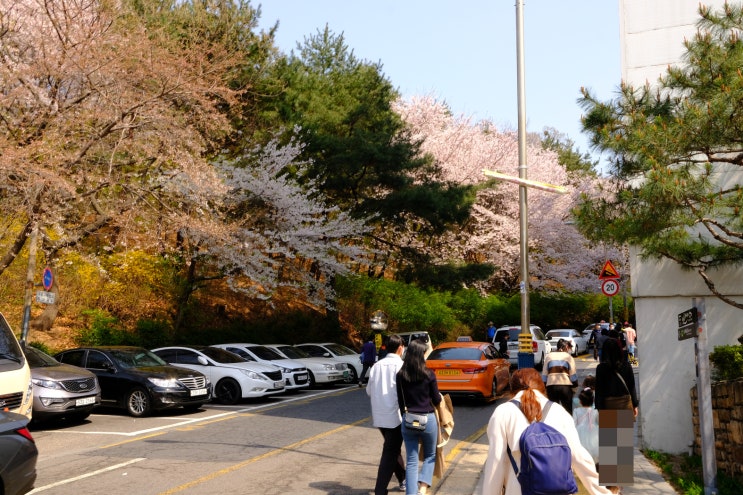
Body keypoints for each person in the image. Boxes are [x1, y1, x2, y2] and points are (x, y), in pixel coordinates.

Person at [481, 368, 611, 495]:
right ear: (543, 389)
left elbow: (495, 463)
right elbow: (579, 458)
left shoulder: (503, 412)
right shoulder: (560, 412)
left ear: (512, 391)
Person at [396, 339, 441, 495]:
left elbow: (401, 402)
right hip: (427, 420)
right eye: (424, 352)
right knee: (430, 455)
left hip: (409, 421)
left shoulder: (401, 375)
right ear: (420, 354)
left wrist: (406, 416)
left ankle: (411, 494)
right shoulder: (429, 374)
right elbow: (437, 400)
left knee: (412, 460)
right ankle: (422, 489)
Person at [366, 334, 406, 495]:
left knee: (392, 448)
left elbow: (369, 390)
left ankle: (403, 479)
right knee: (390, 452)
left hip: (380, 416)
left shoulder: (377, 366)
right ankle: (380, 490)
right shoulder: (401, 366)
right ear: (400, 348)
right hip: (396, 416)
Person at [595, 338, 638, 418]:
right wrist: (635, 405)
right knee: (623, 430)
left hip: (608, 405)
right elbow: (632, 387)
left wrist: (599, 408)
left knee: (611, 430)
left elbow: (599, 390)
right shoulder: (627, 366)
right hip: (625, 404)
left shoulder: (601, 368)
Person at [541, 338, 578, 415]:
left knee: (553, 411)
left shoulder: (549, 356)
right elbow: (573, 376)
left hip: (551, 387)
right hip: (565, 387)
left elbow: (544, 376)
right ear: (566, 347)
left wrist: (544, 388)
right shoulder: (568, 357)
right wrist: (574, 388)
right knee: (568, 411)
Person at [573, 386, 599, 468]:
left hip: (580, 434)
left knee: (582, 451)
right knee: (595, 451)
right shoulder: (596, 411)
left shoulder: (576, 411)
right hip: (594, 434)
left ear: (580, 401)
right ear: (593, 401)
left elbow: (574, 423)